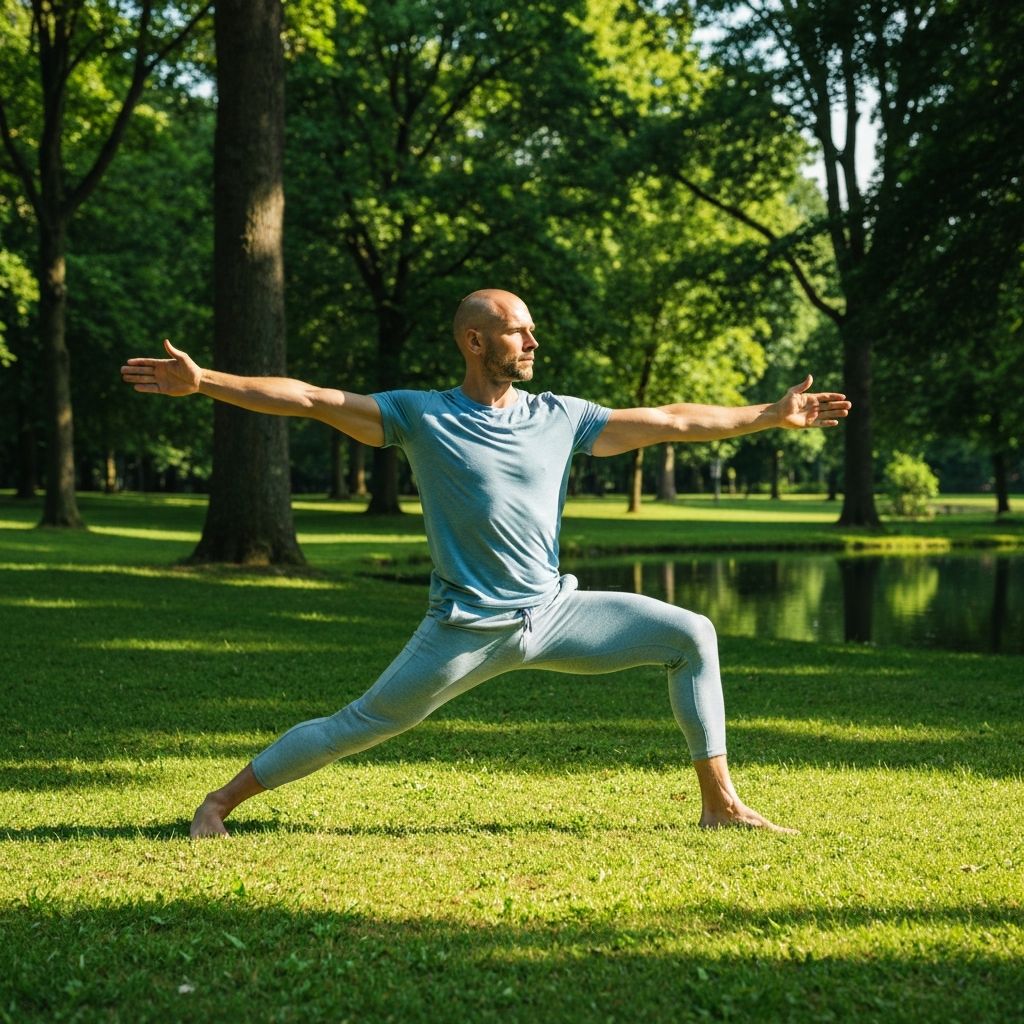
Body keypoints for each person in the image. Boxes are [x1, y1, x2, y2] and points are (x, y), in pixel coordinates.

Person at [121, 289, 850, 838]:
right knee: (361, 722)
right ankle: (218, 802)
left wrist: (767, 414)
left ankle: (719, 804)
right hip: (464, 625)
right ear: (475, 341)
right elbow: (311, 399)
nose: (531, 340)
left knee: (692, 634)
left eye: (530, 329)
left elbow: (668, 421)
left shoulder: (561, 416)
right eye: (516, 330)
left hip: (555, 613)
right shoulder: (418, 414)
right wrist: (206, 381)